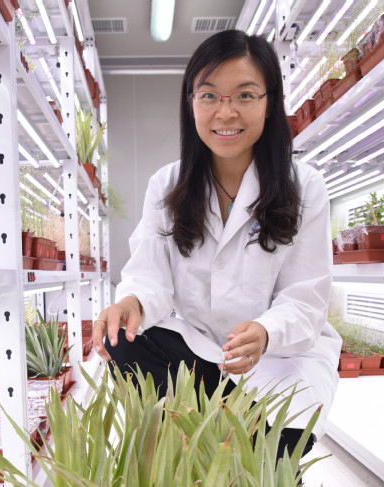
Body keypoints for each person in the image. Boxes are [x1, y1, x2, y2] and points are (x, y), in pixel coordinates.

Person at [92, 29, 341, 459]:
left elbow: (305, 299)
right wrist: (132, 301)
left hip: (278, 360)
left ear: (269, 102)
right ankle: (189, 434)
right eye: (209, 96)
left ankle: (218, 433)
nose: (226, 112)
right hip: (199, 351)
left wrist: (266, 332)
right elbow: (148, 274)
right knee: (121, 339)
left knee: (264, 464)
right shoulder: (167, 185)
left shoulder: (305, 188)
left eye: (245, 95)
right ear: (191, 103)